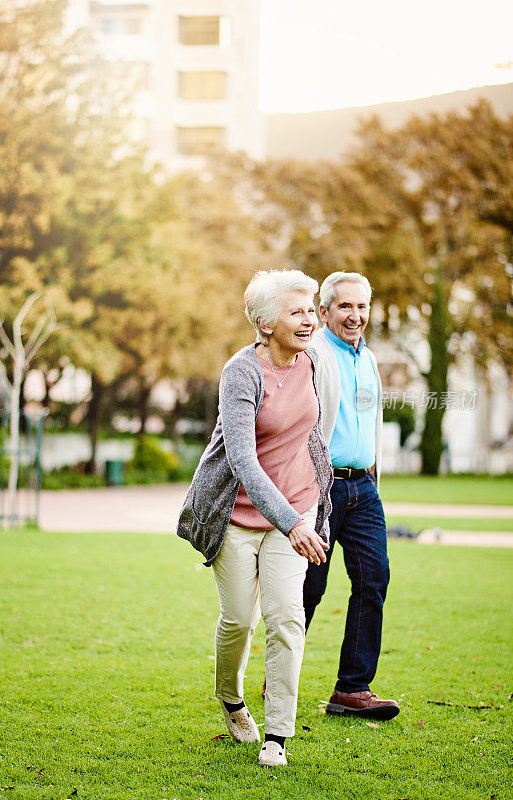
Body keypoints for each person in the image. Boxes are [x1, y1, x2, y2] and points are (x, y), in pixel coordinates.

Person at [177, 269, 333, 767]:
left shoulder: (313, 363)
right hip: (237, 515)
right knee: (239, 620)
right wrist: (291, 522)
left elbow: (313, 430)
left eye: (311, 310)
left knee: (288, 618)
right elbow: (243, 460)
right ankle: (231, 698)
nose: (308, 319)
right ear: (266, 324)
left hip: (298, 506)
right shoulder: (241, 371)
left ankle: (278, 735)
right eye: (297, 311)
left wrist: (309, 503)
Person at [303, 271, 400, 720]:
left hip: (363, 486)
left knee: (373, 580)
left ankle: (353, 689)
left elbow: (370, 422)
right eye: (345, 306)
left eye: (362, 307)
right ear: (324, 311)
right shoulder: (312, 354)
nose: (355, 315)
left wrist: (374, 476)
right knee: (308, 588)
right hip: (321, 487)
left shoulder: (370, 359)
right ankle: (279, 672)